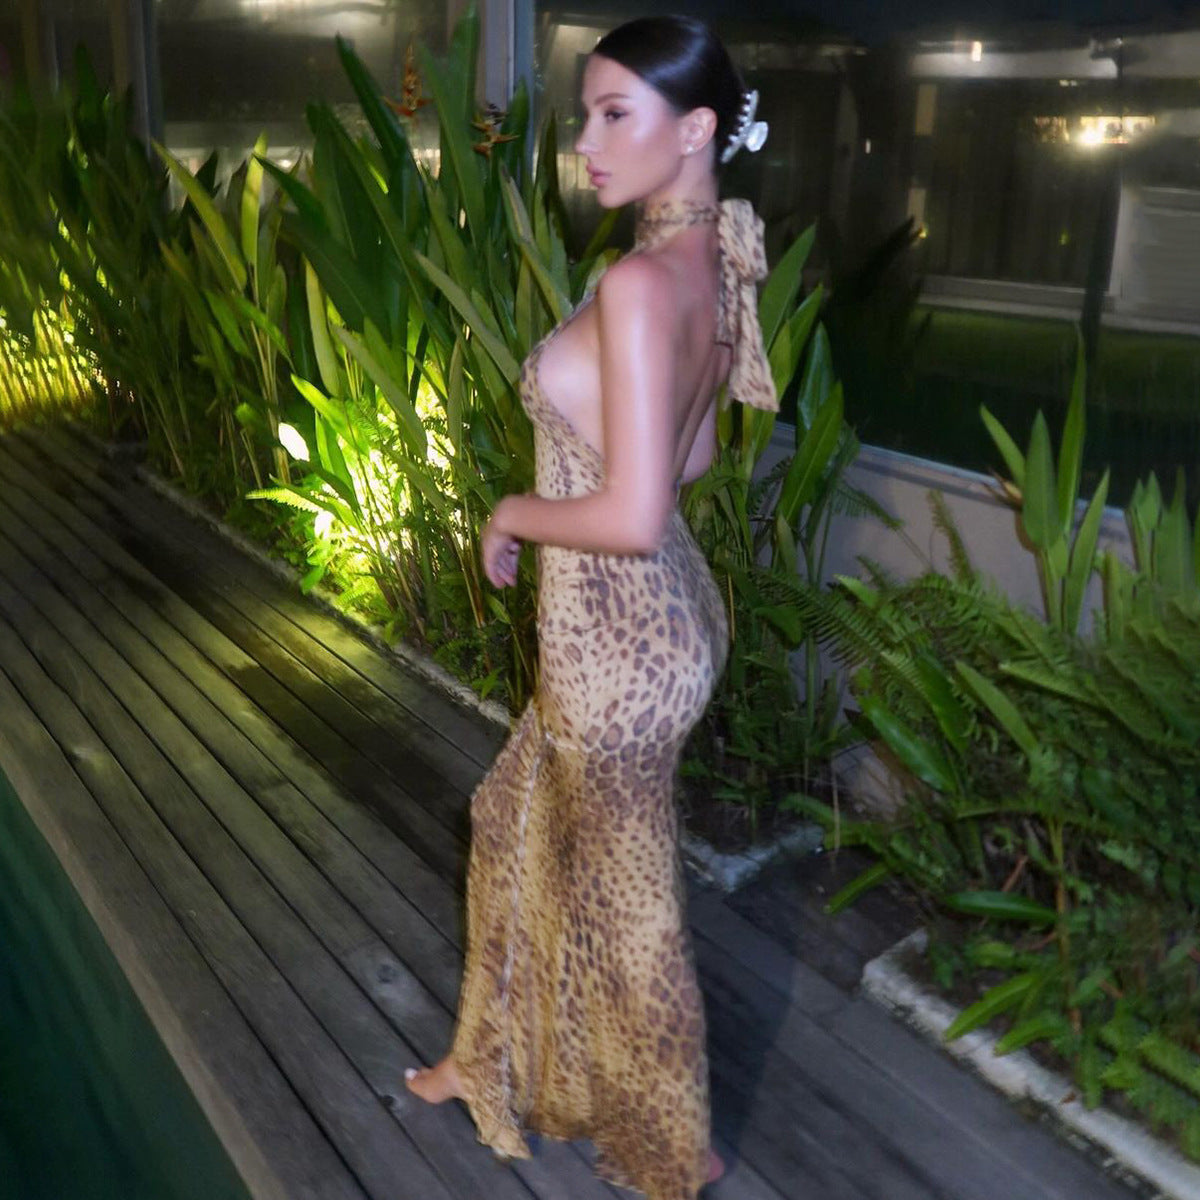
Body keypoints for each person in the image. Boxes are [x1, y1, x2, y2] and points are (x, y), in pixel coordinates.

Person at [405, 15, 777, 1199]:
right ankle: (485, 1057)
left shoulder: (637, 282)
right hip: (662, 621)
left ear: (697, 127)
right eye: (587, 114)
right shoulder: (710, 256)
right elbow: (695, 455)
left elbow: (628, 513)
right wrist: (607, 470)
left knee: (630, 908)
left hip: (616, 642)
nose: (587, 142)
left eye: (617, 114)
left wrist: (514, 511)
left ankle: (677, 1146)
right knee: (509, 816)